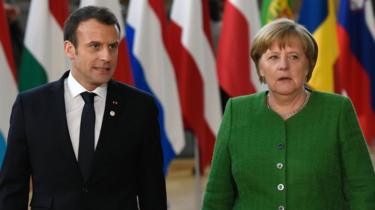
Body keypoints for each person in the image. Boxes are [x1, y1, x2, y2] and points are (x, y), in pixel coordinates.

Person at [0, 6, 167, 210]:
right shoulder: (31, 106)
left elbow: (153, 191)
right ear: (70, 49)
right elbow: (12, 190)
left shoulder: (141, 107)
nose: (107, 56)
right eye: (95, 46)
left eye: (112, 46)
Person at [202, 18, 375, 210]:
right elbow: (217, 195)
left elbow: (363, 189)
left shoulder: (337, 110)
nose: (283, 65)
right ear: (260, 67)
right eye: (273, 57)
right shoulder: (237, 111)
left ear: (308, 65)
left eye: (294, 57)